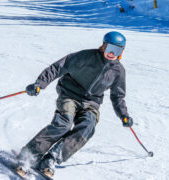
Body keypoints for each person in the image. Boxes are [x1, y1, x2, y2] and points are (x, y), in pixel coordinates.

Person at [16, 31, 134, 178]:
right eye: (109, 48)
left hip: (91, 103)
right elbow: (58, 67)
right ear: (103, 46)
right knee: (63, 124)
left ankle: (51, 159)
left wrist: (124, 115)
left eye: (116, 50)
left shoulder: (118, 71)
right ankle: (28, 155)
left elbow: (118, 96)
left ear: (122, 52)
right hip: (69, 95)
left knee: (88, 127)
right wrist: (39, 84)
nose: (111, 53)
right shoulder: (86, 56)